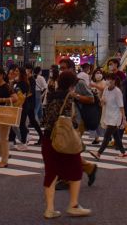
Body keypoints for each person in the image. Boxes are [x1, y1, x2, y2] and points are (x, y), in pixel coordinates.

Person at [40, 69, 91, 218]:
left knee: (51, 172)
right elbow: (71, 121)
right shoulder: (69, 98)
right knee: (76, 170)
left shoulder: (50, 95)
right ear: (71, 85)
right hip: (65, 140)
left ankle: (49, 209)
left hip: (48, 138)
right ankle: (73, 205)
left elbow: (46, 118)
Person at [57, 58, 98, 188]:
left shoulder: (79, 83)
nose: (62, 71)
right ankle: (89, 168)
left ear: (71, 69)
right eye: (60, 68)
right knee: (67, 149)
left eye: (64, 68)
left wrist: (76, 96)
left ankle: (67, 179)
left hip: (77, 121)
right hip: (65, 120)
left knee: (68, 149)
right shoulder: (62, 82)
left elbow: (91, 98)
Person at [91, 72, 127, 159]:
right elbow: (102, 102)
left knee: (107, 136)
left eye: (110, 79)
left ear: (114, 81)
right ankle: (123, 153)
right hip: (108, 115)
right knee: (116, 136)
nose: (108, 81)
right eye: (107, 79)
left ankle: (99, 153)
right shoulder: (106, 89)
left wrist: (124, 118)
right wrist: (102, 101)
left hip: (115, 117)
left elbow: (121, 106)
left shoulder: (117, 91)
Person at [16, 67, 42, 148]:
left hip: (29, 103)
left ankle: (25, 138)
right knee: (30, 120)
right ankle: (36, 136)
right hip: (26, 103)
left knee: (24, 122)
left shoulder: (30, 80)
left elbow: (30, 92)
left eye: (17, 71)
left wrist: (23, 97)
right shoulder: (23, 80)